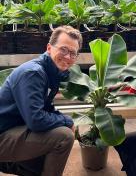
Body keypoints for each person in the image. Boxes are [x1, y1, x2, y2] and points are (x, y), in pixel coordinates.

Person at [0, 25, 83, 176]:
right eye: (63, 49)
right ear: (49, 47)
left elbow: (45, 108)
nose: (67, 57)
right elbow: (36, 120)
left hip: (12, 127)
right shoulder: (33, 73)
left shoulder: (52, 72)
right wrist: (67, 121)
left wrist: (64, 119)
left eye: (73, 53)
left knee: (44, 154)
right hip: (3, 133)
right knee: (63, 137)